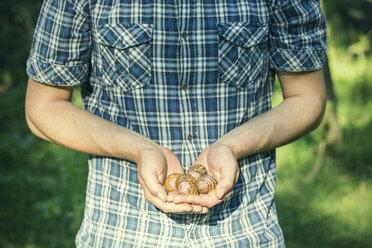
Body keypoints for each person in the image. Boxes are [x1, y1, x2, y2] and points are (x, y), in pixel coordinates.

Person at [25, 0, 327, 247]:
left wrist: (231, 146)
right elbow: (44, 106)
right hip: (122, 232)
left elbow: (307, 98)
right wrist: (140, 149)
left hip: (244, 231)